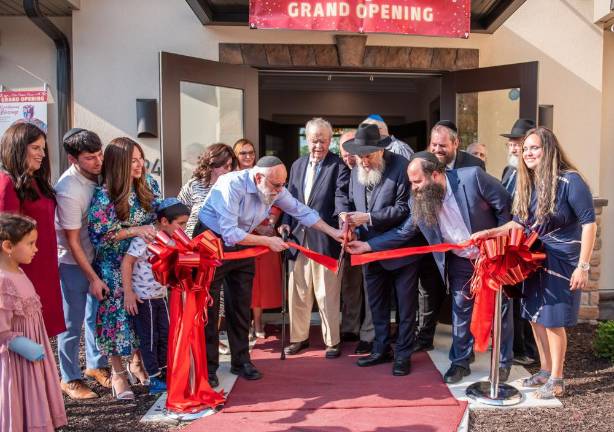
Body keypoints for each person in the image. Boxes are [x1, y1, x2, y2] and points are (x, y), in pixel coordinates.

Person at [348, 151, 514, 383]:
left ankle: (504, 362)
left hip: (493, 255)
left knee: (500, 308)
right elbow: (405, 231)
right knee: (460, 309)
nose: (413, 188)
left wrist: (499, 242)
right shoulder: (419, 199)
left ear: (435, 175)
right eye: (411, 182)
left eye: (417, 182)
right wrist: (367, 245)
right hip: (459, 259)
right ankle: (460, 362)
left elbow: (505, 205)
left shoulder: (473, 177)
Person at [194, 156, 343, 386]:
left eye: (283, 185)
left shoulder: (274, 186)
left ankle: (241, 361)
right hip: (212, 240)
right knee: (209, 308)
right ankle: (208, 367)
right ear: (257, 177)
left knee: (242, 304)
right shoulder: (230, 184)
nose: (280, 191)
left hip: (245, 240)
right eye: (276, 186)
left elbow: (302, 211)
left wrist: (334, 233)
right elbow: (230, 233)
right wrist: (267, 242)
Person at [472, 127, 597, 398]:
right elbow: (519, 223)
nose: (527, 152)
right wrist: (490, 232)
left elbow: (589, 223)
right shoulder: (529, 182)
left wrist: (583, 266)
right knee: (535, 317)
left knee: (552, 319)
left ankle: (557, 378)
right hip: (534, 258)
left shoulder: (570, 181)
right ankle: (544, 370)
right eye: (525, 148)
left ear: (548, 149)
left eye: (534, 147)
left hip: (562, 260)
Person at [88, 137, 161, 400]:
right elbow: (100, 234)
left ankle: (138, 362)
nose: (140, 164)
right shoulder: (105, 194)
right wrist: (135, 230)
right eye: (132, 160)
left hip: (143, 264)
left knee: (144, 314)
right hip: (113, 266)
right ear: (118, 163)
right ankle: (118, 371)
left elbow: (158, 221)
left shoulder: (150, 185)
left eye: (141, 158)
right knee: (116, 320)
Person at [342, 123, 415, 376]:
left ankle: (403, 354)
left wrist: (369, 218)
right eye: (360, 156)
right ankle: (381, 348)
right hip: (367, 251)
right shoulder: (355, 171)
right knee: (377, 305)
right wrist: (348, 221)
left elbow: (404, 209)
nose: (363, 161)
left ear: (381, 151)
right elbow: (351, 201)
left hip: (400, 250)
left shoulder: (401, 167)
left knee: (405, 309)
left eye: (368, 156)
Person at [280, 118, 350, 359]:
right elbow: (289, 199)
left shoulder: (338, 166)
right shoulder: (297, 165)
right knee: (298, 291)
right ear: (306, 140)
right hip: (298, 238)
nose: (318, 145)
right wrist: (285, 226)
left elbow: (341, 196)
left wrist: (342, 220)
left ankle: (332, 341)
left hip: (325, 238)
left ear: (330, 141)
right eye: (313, 140)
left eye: (323, 140)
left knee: (326, 292)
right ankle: (299, 338)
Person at [55, 128, 110, 400]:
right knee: (71, 322)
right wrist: (92, 278)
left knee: (94, 316)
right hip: (72, 262)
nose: (98, 161)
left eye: (99, 154)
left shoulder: (99, 175)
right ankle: (69, 378)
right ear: (72, 159)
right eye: (90, 158)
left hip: (96, 256)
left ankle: (95, 366)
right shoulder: (68, 190)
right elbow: (73, 242)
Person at [0, 213, 67, 432]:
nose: (36, 248)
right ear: (8, 246)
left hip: (32, 354)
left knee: (34, 396)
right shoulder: (3, 281)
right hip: (15, 361)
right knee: (20, 398)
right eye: (30, 243)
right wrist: (23, 345)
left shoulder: (19, 271)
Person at [0, 122, 64, 338]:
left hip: (44, 263)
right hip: (25, 270)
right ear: (18, 147)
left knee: (42, 333)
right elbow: (6, 236)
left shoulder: (36, 181)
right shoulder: (7, 183)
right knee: (26, 334)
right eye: (36, 148)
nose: (42, 154)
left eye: (43, 148)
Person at [121, 198, 190, 395]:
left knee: (165, 335)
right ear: (165, 221)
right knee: (149, 338)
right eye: (181, 223)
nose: (184, 227)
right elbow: (127, 263)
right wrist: (129, 292)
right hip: (144, 298)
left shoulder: (171, 239)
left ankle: (164, 372)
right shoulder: (145, 237)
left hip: (160, 295)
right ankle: (153, 378)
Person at [233, 138, 282, 340]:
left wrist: (270, 223)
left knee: (261, 282)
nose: (248, 156)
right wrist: (257, 227)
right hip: (242, 237)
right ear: (236, 156)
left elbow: (277, 199)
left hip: (267, 236)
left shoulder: (263, 174)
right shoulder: (232, 179)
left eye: (251, 152)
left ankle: (259, 321)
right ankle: (243, 325)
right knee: (244, 283)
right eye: (243, 153)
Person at [499, 118, 538, 366]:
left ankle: (530, 352)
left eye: (519, 143)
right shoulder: (509, 170)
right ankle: (516, 348)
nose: (514, 148)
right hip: (510, 244)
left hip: (530, 247)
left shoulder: (536, 175)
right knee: (513, 299)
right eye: (511, 144)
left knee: (526, 300)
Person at [338, 130, 374, 354]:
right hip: (350, 236)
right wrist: (343, 216)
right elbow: (342, 197)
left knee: (371, 287)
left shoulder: (376, 168)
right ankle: (350, 326)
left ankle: (368, 333)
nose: (349, 158)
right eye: (345, 154)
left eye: (352, 153)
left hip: (373, 238)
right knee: (350, 284)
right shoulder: (346, 171)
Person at [178, 143, 237, 238]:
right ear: (213, 164)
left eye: (231, 166)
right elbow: (178, 214)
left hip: (221, 244)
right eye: (226, 166)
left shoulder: (233, 188)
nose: (229, 170)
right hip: (193, 243)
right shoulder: (194, 184)